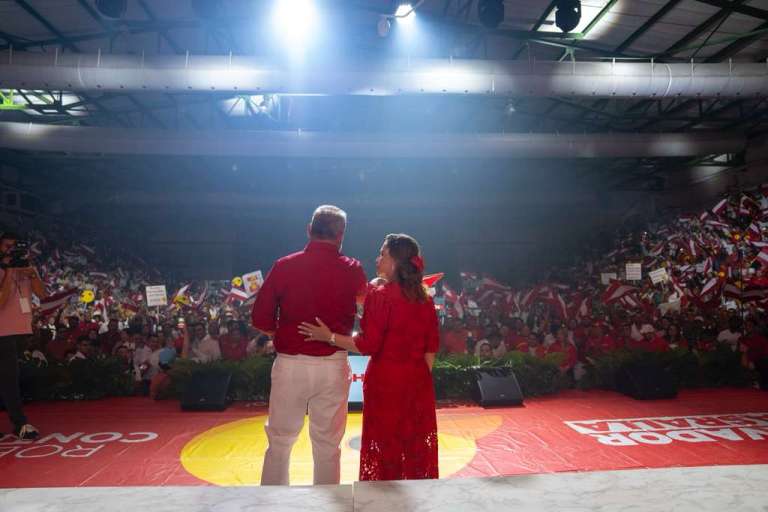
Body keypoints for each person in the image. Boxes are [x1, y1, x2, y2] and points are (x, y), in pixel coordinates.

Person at [300, 233, 439, 481]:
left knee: (387, 445)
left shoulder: (381, 295)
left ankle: (386, 503)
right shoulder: (425, 299)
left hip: (386, 383)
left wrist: (328, 336)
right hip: (418, 382)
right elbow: (431, 348)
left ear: (395, 261)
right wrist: (416, 378)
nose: (377, 259)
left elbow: (367, 345)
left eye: (382, 254)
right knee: (415, 443)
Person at [252, 205, 366, 486]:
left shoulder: (285, 265)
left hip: (291, 363)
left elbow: (260, 318)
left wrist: (286, 332)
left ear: (309, 230)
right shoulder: (352, 269)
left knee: (279, 442)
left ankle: (272, 504)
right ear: (341, 235)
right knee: (328, 446)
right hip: (333, 365)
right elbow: (366, 308)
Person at [0, 231, 44, 440]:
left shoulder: (26, 270)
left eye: (15, 247)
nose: (11, 251)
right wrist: (9, 271)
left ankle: (19, 422)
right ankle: (20, 424)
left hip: (19, 331)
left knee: (9, 379)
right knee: (9, 379)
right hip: (2, 332)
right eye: (7, 246)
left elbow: (43, 295)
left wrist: (32, 273)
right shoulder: (4, 270)